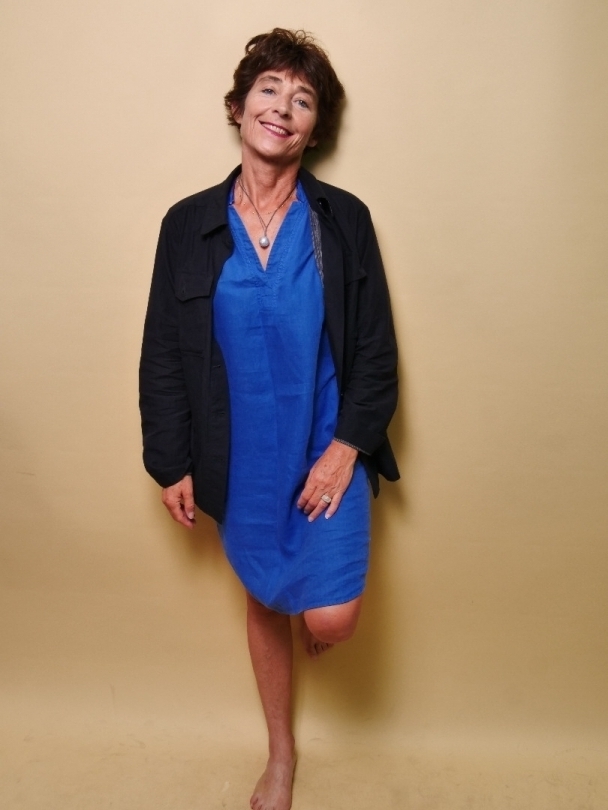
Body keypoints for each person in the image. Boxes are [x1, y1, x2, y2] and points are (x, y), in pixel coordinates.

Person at [139, 28, 399, 810]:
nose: (283, 107)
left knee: (333, 617)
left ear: (313, 130)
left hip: (326, 445)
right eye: (269, 89)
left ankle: (310, 611)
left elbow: (377, 350)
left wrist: (347, 448)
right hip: (239, 452)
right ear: (238, 106)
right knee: (263, 593)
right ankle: (281, 755)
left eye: (303, 99)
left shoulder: (343, 220)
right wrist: (170, 460)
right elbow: (162, 351)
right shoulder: (186, 224)